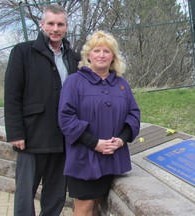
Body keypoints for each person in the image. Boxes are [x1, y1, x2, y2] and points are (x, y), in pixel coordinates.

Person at [4, 4, 80, 216]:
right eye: (51, 23)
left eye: (60, 24)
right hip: (31, 136)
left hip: (62, 139)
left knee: (56, 195)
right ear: (42, 24)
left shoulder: (73, 59)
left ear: (66, 27)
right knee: (24, 194)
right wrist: (15, 132)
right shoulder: (23, 52)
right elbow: (12, 95)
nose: (55, 28)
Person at [58, 30, 141, 216]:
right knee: (85, 208)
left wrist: (121, 139)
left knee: (96, 207)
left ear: (113, 57)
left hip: (112, 158)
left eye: (106, 51)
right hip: (84, 158)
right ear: (88, 55)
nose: (101, 55)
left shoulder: (121, 84)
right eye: (96, 51)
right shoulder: (74, 82)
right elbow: (66, 118)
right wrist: (94, 143)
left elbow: (134, 114)